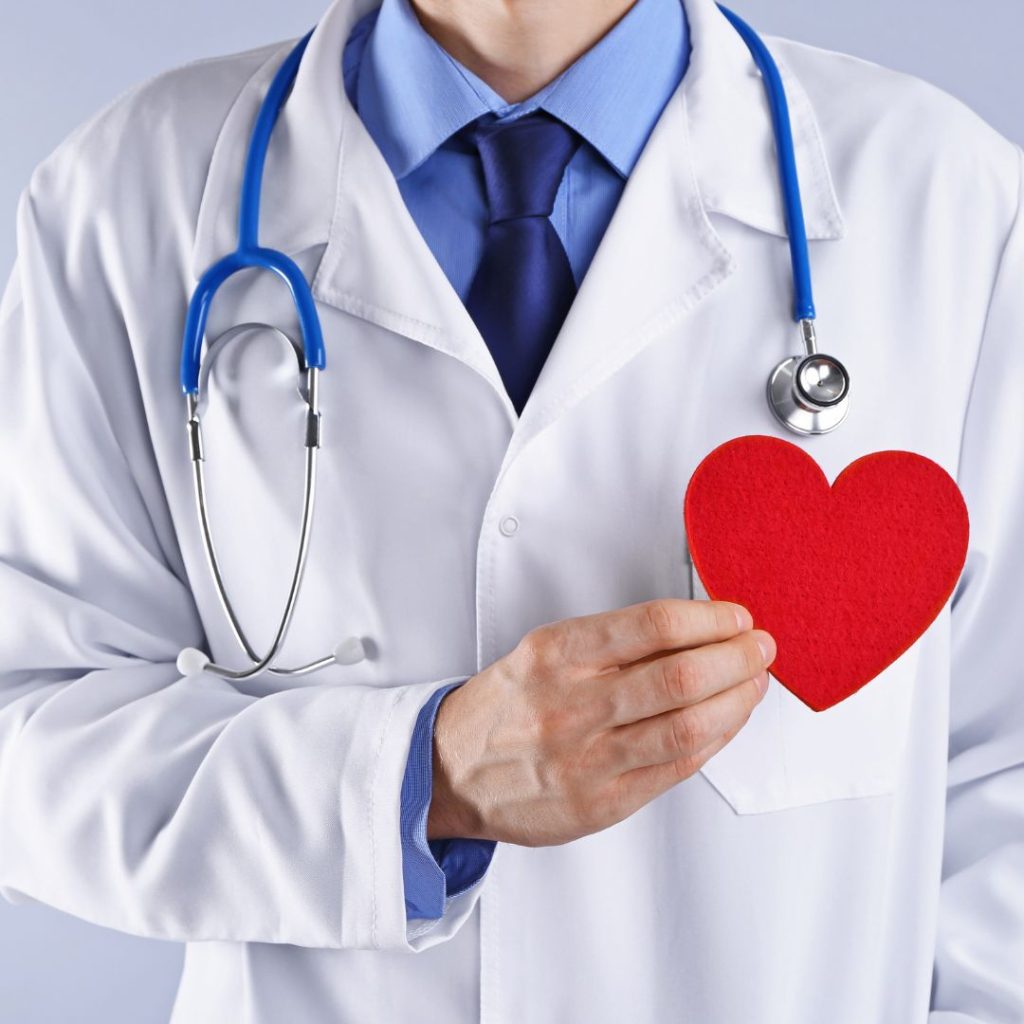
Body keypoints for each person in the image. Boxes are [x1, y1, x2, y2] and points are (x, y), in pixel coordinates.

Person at [0, 0, 1021, 1020]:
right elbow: (26, 736)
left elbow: (1007, 779)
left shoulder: (947, 202)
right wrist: (417, 782)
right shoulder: (126, 196)